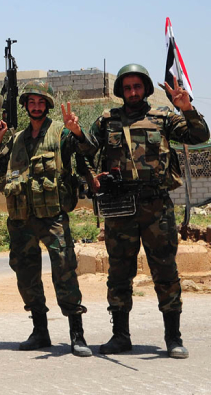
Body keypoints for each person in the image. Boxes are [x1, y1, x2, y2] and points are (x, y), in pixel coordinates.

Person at [84, 65, 209, 359]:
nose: (132, 92)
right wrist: (91, 177)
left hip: (157, 206)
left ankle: (173, 337)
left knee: (165, 271)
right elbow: (83, 149)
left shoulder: (163, 118)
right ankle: (120, 335)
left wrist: (187, 107)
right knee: (118, 273)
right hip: (120, 207)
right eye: (127, 88)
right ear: (121, 92)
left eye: (137, 87)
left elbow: (200, 135)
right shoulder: (107, 121)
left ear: (145, 89)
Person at [0, 81, 93, 357]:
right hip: (21, 220)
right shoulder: (17, 139)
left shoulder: (60, 133)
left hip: (52, 216)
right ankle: (40, 330)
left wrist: (78, 132)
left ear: (47, 105)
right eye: (31, 102)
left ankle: (77, 334)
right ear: (25, 106)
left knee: (64, 269)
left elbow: (88, 152)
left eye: (40, 102)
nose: (36, 106)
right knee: (25, 274)